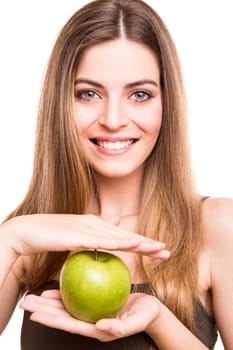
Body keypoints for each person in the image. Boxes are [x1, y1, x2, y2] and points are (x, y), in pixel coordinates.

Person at [0, 0, 232, 349]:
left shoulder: (217, 225)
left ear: (166, 104)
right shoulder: (30, 235)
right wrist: (10, 237)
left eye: (139, 94)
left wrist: (158, 320)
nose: (112, 119)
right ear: (61, 103)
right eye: (88, 94)